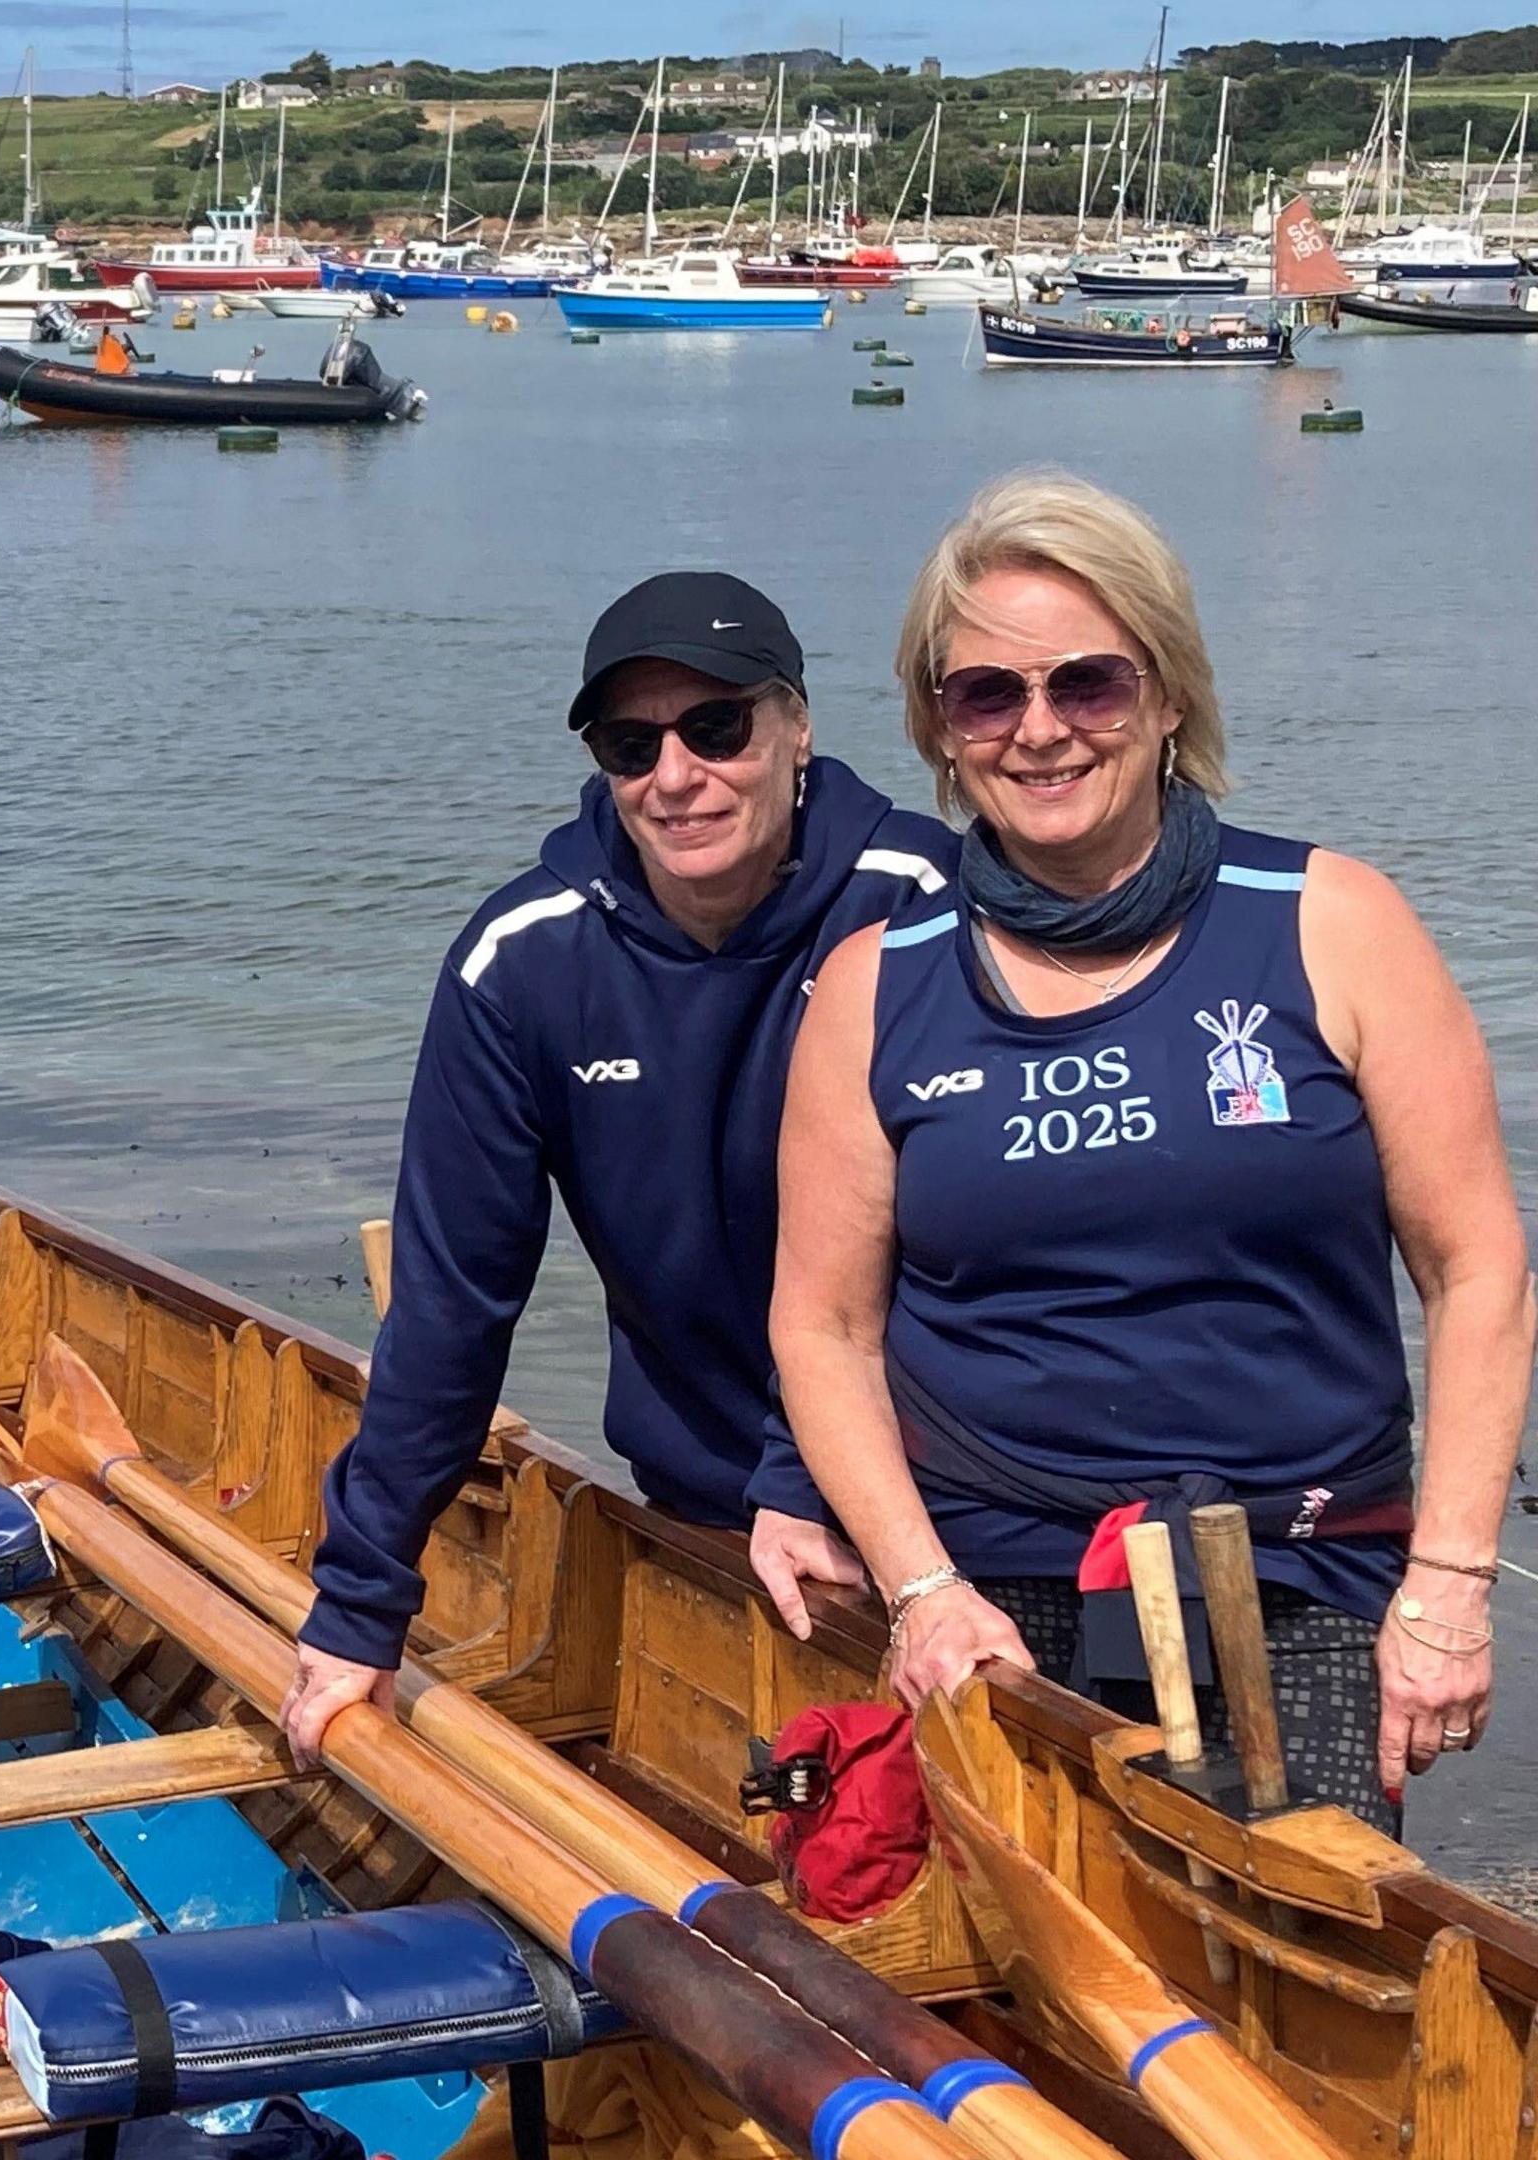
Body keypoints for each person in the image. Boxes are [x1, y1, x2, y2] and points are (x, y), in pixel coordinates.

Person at [771, 471, 1527, 1828]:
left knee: (1299, 1988)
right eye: (987, 696)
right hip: (991, 1588)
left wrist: (1452, 1585)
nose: (1040, 730)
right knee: (1019, 2010)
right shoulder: (879, 986)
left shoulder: (1329, 923)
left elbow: (1476, 1271)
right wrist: (920, 1588)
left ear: (1170, 695)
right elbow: (823, 1328)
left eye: (1090, 685)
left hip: (1291, 1580)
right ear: (941, 731)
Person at [283, 572, 959, 1760]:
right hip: (704, 1505)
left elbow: (969, 1249)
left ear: (797, 726)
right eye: (630, 743)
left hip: (943, 1494)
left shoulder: (925, 906)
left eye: (716, 727)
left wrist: (808, 1472)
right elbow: (451, 1309)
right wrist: (360, 1604)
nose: (676, 775)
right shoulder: (523, 961)